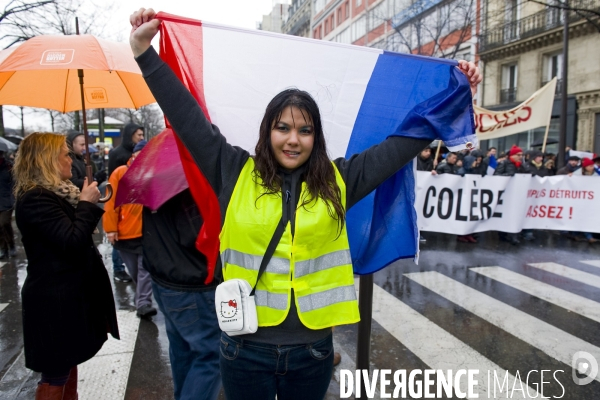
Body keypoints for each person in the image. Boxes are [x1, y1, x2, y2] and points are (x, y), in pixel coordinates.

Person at [129, 8, 481, 399]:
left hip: (312, 352)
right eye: (283, 127)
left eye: (304, 129)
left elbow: (403, 144)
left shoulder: (340, 180)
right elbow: (187, 115)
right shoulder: (231, 170)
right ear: (268, 132)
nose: (292, 139)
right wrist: (145, 53)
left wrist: (456, 95)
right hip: (245, 349)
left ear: (316, 137)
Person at [13, 133, 119, 399]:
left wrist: (84, 202)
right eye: (64, 153)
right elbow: (71, 241)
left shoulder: (58, 194)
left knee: (66, 367)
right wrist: (85, 204)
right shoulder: (36, 198)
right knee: (55, 374)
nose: (70, 158)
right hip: (53, 302)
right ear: (47, 159)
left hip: (67, 297)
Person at [103, 140, 157, 318]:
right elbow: (110, 203)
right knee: (134, 271)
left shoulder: (153, 173)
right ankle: (142, 296)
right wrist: (111, 228)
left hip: (147, 234)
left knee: (145, 270)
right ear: (133, 155)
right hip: (125, 232)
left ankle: (143, 303)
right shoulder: (119, 173)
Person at [107, 123, 144, 283]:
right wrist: (111, 227)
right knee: (120, 245)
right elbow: (112, 193)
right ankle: (118, 269)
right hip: (124, 212)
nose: (141, 137)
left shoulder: (138, 153)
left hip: (138, 222)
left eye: (142, 135)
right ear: (131, 135)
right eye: (139, 135)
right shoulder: (118, 156)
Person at [494, 145, 527, 244]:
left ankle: (513, 236)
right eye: (518, 155)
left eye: (521, 155)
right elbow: (496, 176)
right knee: (506, 214)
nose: (520, 156)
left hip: (516, 194)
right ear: (512, 155)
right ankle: (502, 234)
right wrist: (508, 176)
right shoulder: (504, 163)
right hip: (506, 194)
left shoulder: (521, 165)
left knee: (515, 214)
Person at [0, 143, 15, 258]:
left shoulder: (9, 167)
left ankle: (11, 244)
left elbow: (15, 183)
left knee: (4, 223)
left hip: (6, 200)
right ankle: (3, 249)